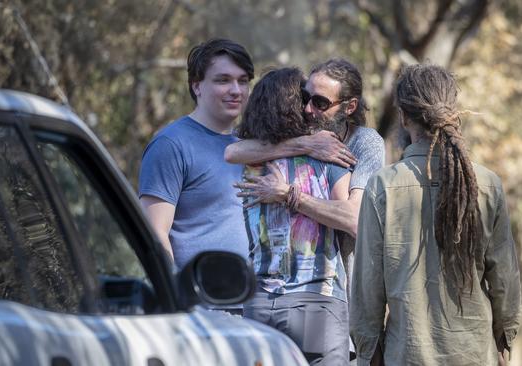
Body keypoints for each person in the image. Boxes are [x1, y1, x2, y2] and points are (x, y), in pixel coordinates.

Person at [350, 64, 522, 366]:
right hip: (474, 352)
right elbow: (504, 280)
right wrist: (504, 339)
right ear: (452, 111)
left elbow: (368, 285)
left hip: (407, 353)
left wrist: (369, 350)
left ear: (404, 117)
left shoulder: (383, 185)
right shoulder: (487, 183)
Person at [227, 58, 385, 295]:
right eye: (305, 97)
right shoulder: (304, 136)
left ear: (350, 107)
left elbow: (355, 220)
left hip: (351, 286)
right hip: (296, 289)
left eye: (320, 102)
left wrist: (288, 194)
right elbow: (233, 151)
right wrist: (306, 144)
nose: (308, 109)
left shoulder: (365, 142)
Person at [235, 67, 351, 365]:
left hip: (258, 302)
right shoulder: (327, 154)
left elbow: (232, 150)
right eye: (304, 99)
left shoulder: (247, 162)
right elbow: (351, 218)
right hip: (317, 299)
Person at [138, 39, 253, 271]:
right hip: (200, 303)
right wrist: (174, 297)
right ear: (196, 86)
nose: (236, 90)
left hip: (253, 302)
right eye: (223, 80)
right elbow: (154, 232)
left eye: (243, 81)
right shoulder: (170, 144)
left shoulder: (251, 145)